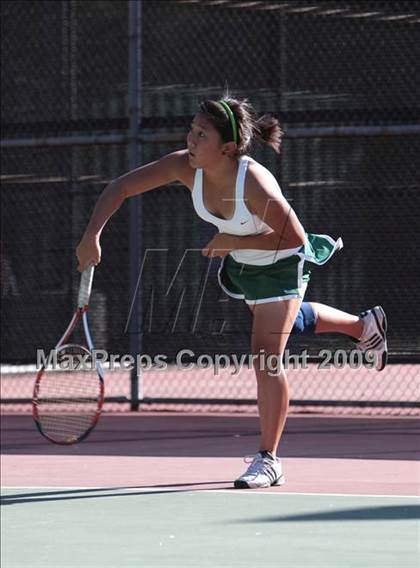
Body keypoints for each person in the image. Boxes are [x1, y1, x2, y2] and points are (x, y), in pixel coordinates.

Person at [76, 94, 387, 489]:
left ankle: (269, 459)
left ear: (225, 147)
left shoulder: (254, 182)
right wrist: (92, 234)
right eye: (191, 129)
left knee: (266, 355)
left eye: (200, 134)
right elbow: (120, 187)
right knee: (288, 323)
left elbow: (291, 241)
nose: (190, 139)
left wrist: (232, 243)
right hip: (244, 266)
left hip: (281, 262)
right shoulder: (184, 167)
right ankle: (364, 328)